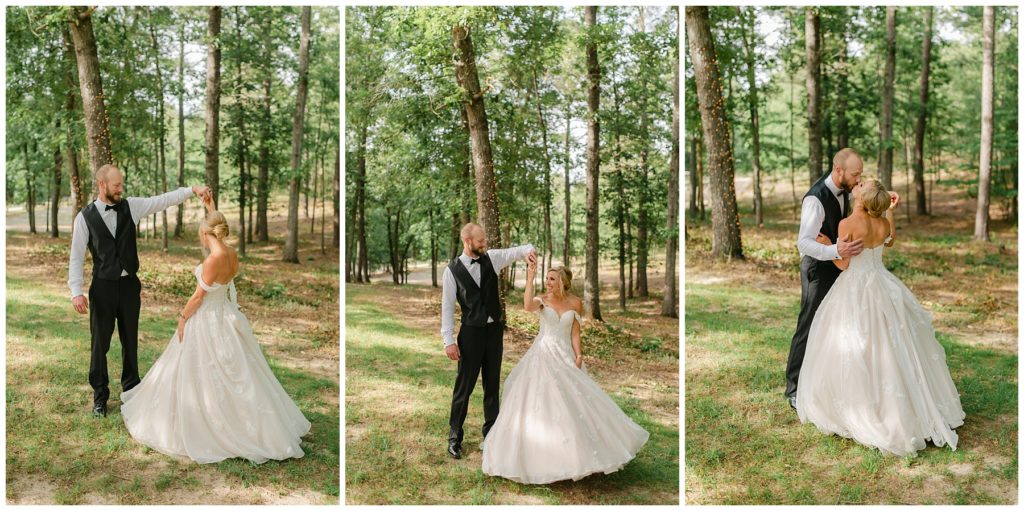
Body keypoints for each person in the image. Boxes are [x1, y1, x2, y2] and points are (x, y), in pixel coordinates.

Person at [120, 194, 311, 463]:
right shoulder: (231, 253)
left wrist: (182, 317)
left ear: (203, 232)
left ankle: (214, 424)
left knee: (200, 371)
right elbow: (216, 231)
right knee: (241, 373)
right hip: (226, 315)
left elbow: (198, 297)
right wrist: (210, 207)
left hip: (208, 318)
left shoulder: (213, 260)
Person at [796, 178, 965, 455]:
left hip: (856, 287)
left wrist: (827, 244)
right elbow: (890, 241)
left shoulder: (847, 225)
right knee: (893, 342)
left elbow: (843, 262)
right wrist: (890, 212)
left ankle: (866, 407)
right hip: (884, 285)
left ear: (861, 198)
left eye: (861, 185)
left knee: (860, 344)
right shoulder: (884, 222)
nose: (858, 184)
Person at [480, 256, 648, 484]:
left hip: (566, 355)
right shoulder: (543, 300)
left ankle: (582, 455)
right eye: (547, 278)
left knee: (576, 402)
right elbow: (527, 306)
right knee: (542, 400)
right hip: (543, 354)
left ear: (563, 282)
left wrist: (579, 354)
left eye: (552, 279)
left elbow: (575, 332)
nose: (547, 282)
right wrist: (529, 278)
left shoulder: (575, 303)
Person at [68, 163, 209, 418]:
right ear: (102, 185)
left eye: (121, 184)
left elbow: (163, 200)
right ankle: (100, 396)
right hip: (102, 288)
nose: (121, 189)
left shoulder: (130, 206)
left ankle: (131, 390)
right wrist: (75, 291)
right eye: (117, 185)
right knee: (100, 344)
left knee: (130, 340)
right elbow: (76, 257)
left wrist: (192, 190)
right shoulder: (84, 218)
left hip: (129, 286)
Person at [441, 223, 534, 459]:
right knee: (464, 387)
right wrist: (448, 341)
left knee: (492, 385)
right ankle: (454, 437)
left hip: (494, 333)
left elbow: (517, 251)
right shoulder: (451, 271)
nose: (484, 244)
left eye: (484, 240)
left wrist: (529, 250)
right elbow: (447, 308)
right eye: (480, 241)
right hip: (470, 334)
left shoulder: (491, 258)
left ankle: (492, 435)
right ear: (467, 241)